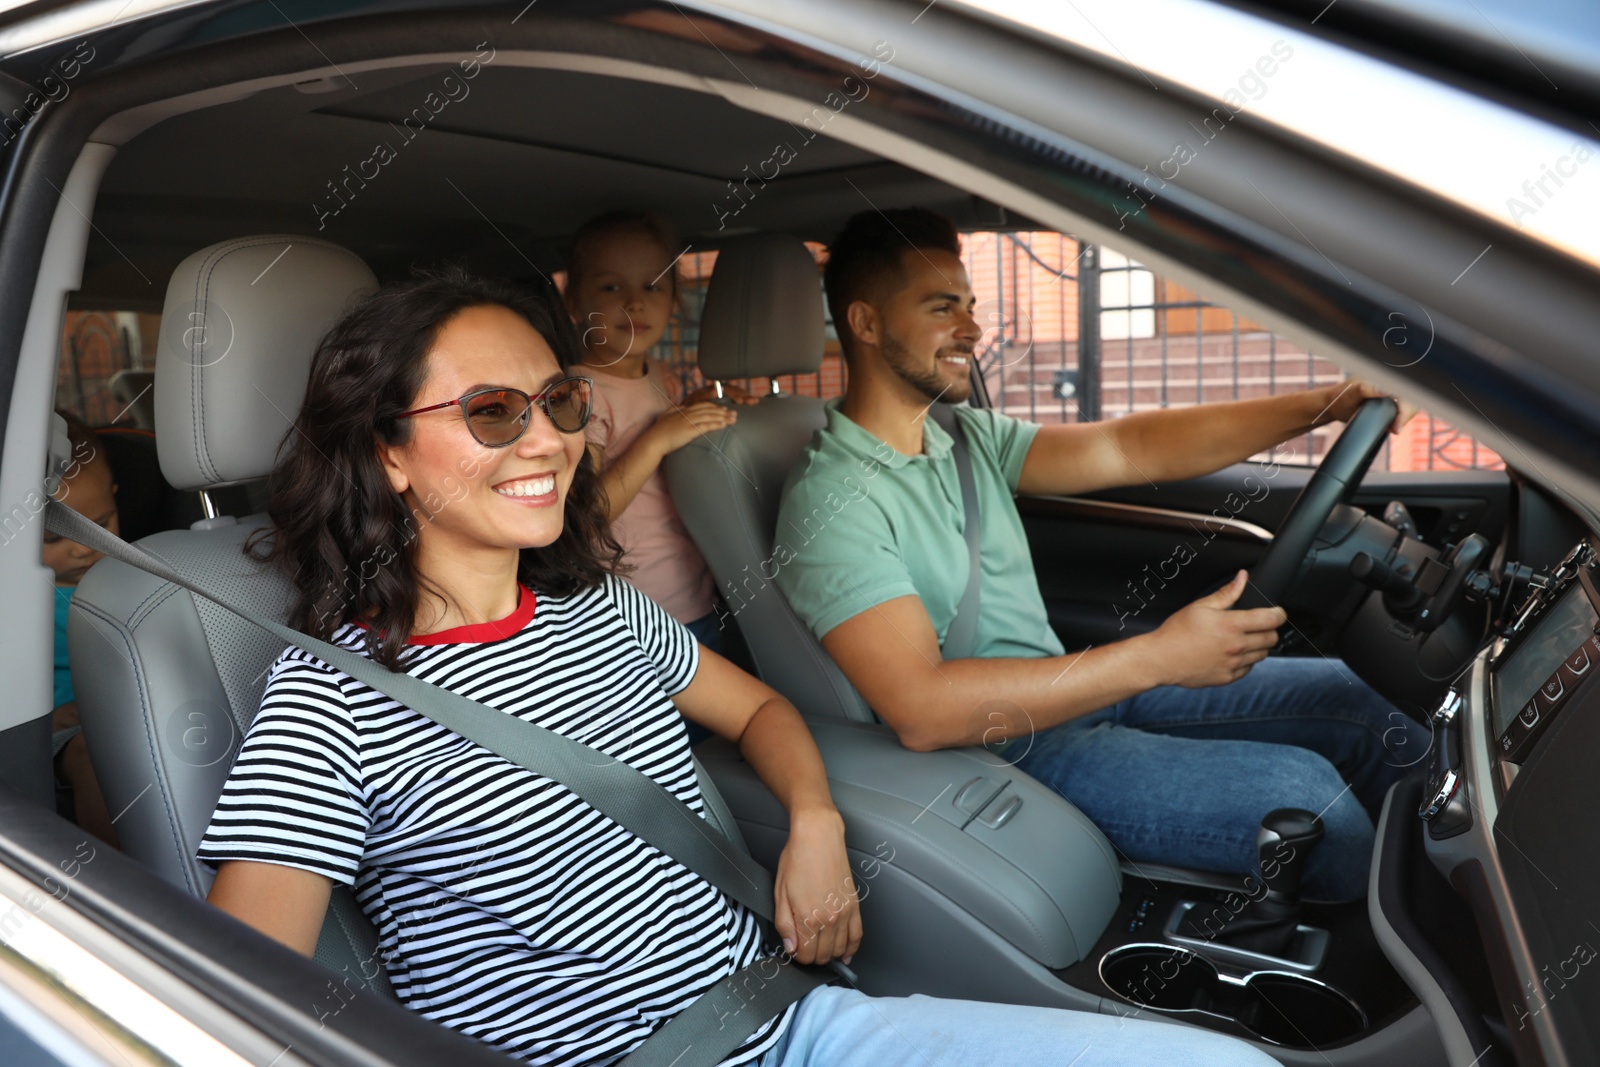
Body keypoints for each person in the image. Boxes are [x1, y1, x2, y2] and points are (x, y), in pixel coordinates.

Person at [198, 268, 1274, 1067]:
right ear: (386, 450)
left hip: (800, 1019)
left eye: (560, 402)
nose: (547, 442)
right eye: (491, 412)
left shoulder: (596, 608)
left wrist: (813, 823)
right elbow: (240, 1008)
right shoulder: (332, 698)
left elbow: (760, 709)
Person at [775, 208, 1430, 904]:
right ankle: (1407, 970)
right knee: (1306, 798)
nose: (972, 328)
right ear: (867, 324)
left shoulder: (963, 438)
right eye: (943, 308)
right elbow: (923, 708)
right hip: (1001, 747)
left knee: (1359, 699)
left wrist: (1324, 404)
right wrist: (1159, 655)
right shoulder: (831, 500)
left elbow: (1129, 447)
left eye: (970, 305)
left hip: (1073, 694)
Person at [564, 210, 753, 659]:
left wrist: (696, 407)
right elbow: (586, 513)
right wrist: (658, 438)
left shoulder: (662, 377)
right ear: (573, 302)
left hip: (695, 594)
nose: (634, 303)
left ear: (673, 302)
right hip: (632, 617)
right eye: (612, 287)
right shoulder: (578, 393)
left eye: (653, 287)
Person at [43, 408, 120, 847]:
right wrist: (50, 721)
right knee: (94, 758)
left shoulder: (139, 577)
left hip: (134, 718)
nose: (82, 548)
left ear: (115, 495)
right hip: (57, 735)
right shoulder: (18, 604)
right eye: (53, 538)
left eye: (102, 524)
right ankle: (125, 882)